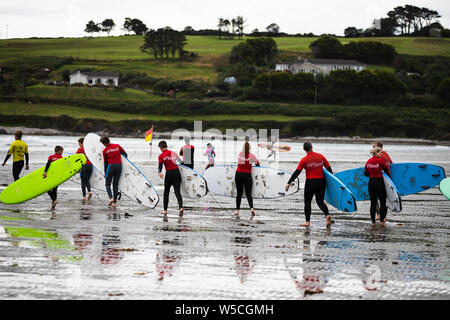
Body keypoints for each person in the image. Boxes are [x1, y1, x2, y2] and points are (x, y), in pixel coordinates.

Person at [285, 142, 333, 228]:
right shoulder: (321, 156)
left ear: (304, 149)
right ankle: (327, 215)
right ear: (311, 147)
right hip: (321, 182)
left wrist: (289, 182)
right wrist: (332, 182)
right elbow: (329, 169)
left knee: (307, 203)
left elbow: (297, 172)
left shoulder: (304, 160)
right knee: (320, 202)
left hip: (310, 182)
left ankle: (307, 222)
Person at [364, 147, 390, 227]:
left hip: (371, 183)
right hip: (379, 182)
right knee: (383, 203)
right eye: (380, 152)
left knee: (373, 203)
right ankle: (382, 221)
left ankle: (373, 222)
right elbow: (386, 171)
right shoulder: (380, 161)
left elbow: (365, 173)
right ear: (376, 153)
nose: (382, 154)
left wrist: (372, 173)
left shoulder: (368, 161)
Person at [158, 140, 184, 217]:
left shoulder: (161, 156)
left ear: (160, 147)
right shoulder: (173, 153)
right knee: (177, 192)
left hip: (169, 174)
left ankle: (165, 210)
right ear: (166, 146)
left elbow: (160, 166)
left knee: (166, 192)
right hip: (176, 173)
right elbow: (181, 163)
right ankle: (181, 208)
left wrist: (159, 172)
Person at [235, 141, 260, 218]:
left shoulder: (240, 154)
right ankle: (252, 209)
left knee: (239, 193)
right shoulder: (252, 156)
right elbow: (258, 165)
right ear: (249, 148)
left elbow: (239, 164)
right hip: (247, 175)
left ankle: (237, 210)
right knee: (248, 194)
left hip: (238, 174)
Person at [100, 136, 127, 208]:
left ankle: (111, 198)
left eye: (103, 144)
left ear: (105, 143)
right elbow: (125, 154)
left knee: (107, 184)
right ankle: (114, 203)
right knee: (115, 185)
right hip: (119, 166)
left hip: (111, 166)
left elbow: (105, 163)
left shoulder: (105, 150)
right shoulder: (117, 146)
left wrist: (105, 173)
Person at [43, 145, 64, 210]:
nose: (62, 152)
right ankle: (53, 206)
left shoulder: (51, 157)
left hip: (51, 175)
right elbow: (63, 168)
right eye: (62, 151)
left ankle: (54, 201)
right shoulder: (61, 158)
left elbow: (48, 164)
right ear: (59, 151)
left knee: (47, 188)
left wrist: (45, 172)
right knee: (54, 190)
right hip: (57, 177)